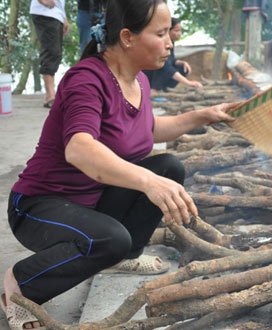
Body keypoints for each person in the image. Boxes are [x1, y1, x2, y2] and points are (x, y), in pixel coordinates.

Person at [1, 1, 238, 329]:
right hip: (38, 206)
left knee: (168, 167)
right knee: (112, 236)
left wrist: (204, 116)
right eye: (161, 33)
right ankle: (21, 285)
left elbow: (147, 129)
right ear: (127, 37)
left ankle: (119, 259)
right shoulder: (86, 78)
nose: (170, 42)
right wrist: (146, 181)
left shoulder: (139, 80)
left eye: (170, 32)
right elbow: (79, 148)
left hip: (89, 201)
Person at [144, 17, 203, 95]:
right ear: (167, 31)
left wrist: (182, 62)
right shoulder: (160, 43)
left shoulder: (171, 42)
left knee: (183, 68)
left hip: (160, 70)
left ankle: (164, 90)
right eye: (176, 30)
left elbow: (171, 59)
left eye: (180, 30)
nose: (179, 33)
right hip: (147, 74)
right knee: (162, 66)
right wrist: (188, 83)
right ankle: (155, 89)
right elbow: (167, 67)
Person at [30, 0, 70, 108]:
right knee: (50, 51)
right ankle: (50, 95)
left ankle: (52, 94)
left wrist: (63, 17)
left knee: (56, 53)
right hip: (45, 13)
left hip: (55, 14)